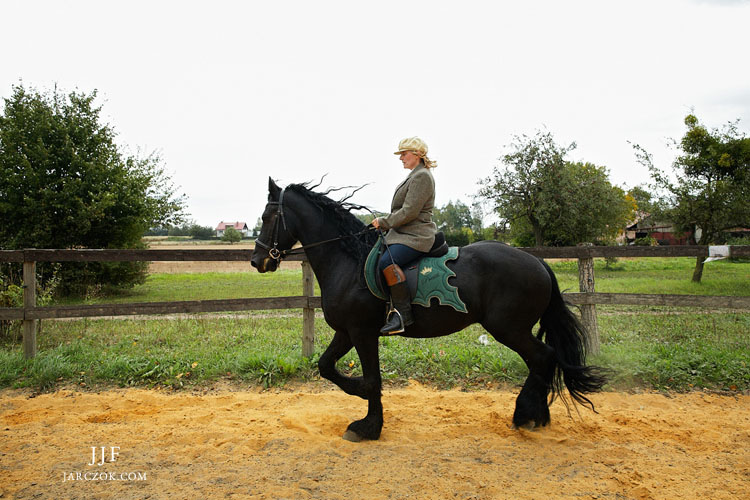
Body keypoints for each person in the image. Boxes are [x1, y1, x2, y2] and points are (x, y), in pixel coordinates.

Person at [371, 137, 438, 334]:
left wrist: (385, 222)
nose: (401, 158)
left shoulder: (422, 176)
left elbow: (410, 212)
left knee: (386, 262)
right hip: (402, 234)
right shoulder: (414, 175)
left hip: (416, 236)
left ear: (416, 155)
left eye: (404, 153)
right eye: (400, 154)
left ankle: (403, 315)